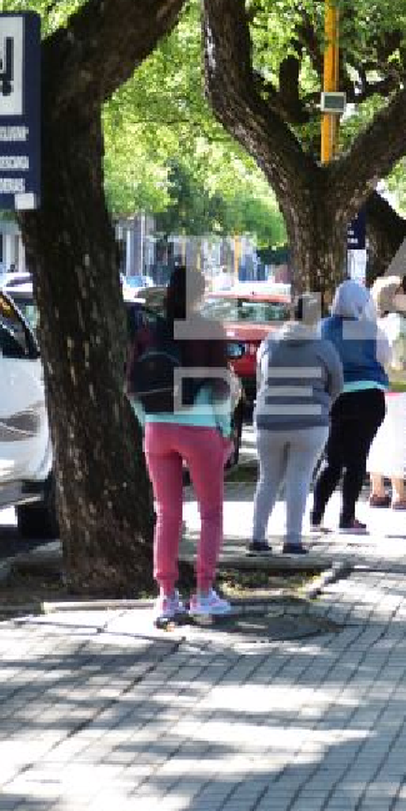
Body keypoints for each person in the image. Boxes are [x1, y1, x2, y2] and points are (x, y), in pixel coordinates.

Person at [129, 265, 237, 626]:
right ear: (201, 295)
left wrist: (149, 424)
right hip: (200, 429)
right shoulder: (209, 330)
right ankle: (204, 594)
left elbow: (132, 388)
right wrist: (224, 431)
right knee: (210, 513)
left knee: (167, 513)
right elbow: (220, 388)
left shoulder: (148, 331)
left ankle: (165, 597)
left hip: (157, 432)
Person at [249, 294, 343, 554]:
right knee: (299, 479)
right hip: (310, 422)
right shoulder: (324, 347)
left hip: (269, 420)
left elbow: (261, 380)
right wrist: (323, 405)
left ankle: (257, 537)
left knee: (267, 479)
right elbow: (337, 385)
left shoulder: (270, 343)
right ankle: (292, 540)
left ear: (291, 315)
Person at [310, 280, 389, 534]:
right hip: (369, 398)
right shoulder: (370, 330)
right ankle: (347, 518)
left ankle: (316, 515)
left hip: (334, 399)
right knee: (357, 460)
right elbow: (385, 358)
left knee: (332, 459)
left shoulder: (322, 327)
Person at [366, 277, 406, 513]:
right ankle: (400, 494)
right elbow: (393, 346)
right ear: (393, 297)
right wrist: (397, 365)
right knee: (400, 439)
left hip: (384, 389)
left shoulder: (376, 321)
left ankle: (377, 490)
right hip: (400, 389)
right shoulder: (395, 321)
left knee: (380, 437)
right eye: (403, 292)